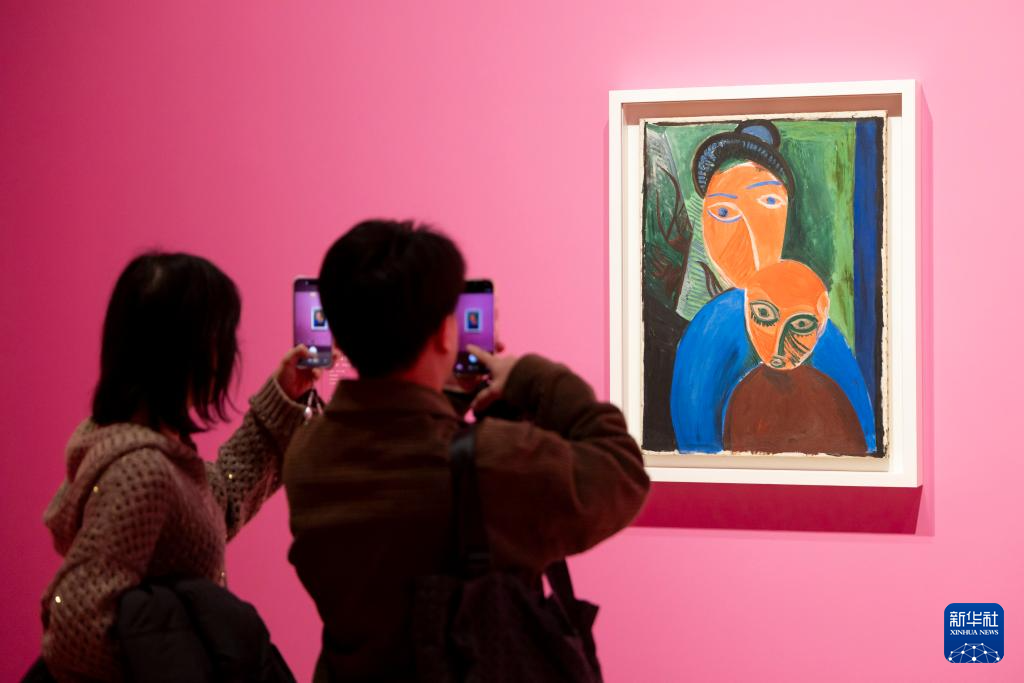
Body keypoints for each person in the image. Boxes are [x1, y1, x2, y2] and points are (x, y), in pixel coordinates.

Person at [284, 220, 650, 682]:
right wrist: (534, 377)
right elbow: (620, 472)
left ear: (337, 336)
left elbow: (404, 453)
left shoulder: (307, 455)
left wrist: (449, 399)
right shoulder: (494, 461)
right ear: (444, 334)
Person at [39, 252, 323, 681]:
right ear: (185, 350)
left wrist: (282, 396)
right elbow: (77, 630)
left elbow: (218, 500)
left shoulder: (135, 443)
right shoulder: (142, 473)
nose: (228, 354)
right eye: (222, 338)